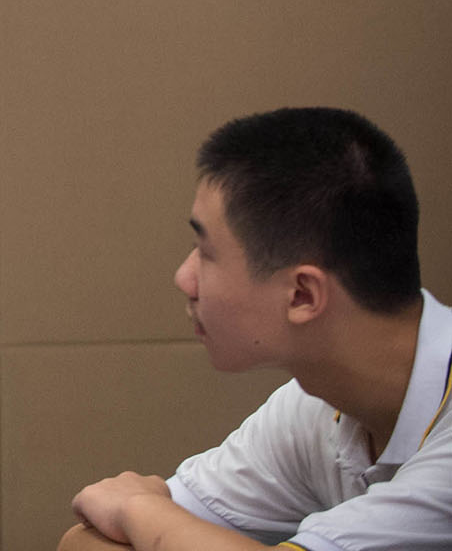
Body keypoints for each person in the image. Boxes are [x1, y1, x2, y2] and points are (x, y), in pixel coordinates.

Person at [61, 107, 448, 551]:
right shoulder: (314, 407)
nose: (183, 278)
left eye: (206, 252)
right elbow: (82, 542)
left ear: (302, 294)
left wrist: (138, 509)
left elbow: (123, 519)